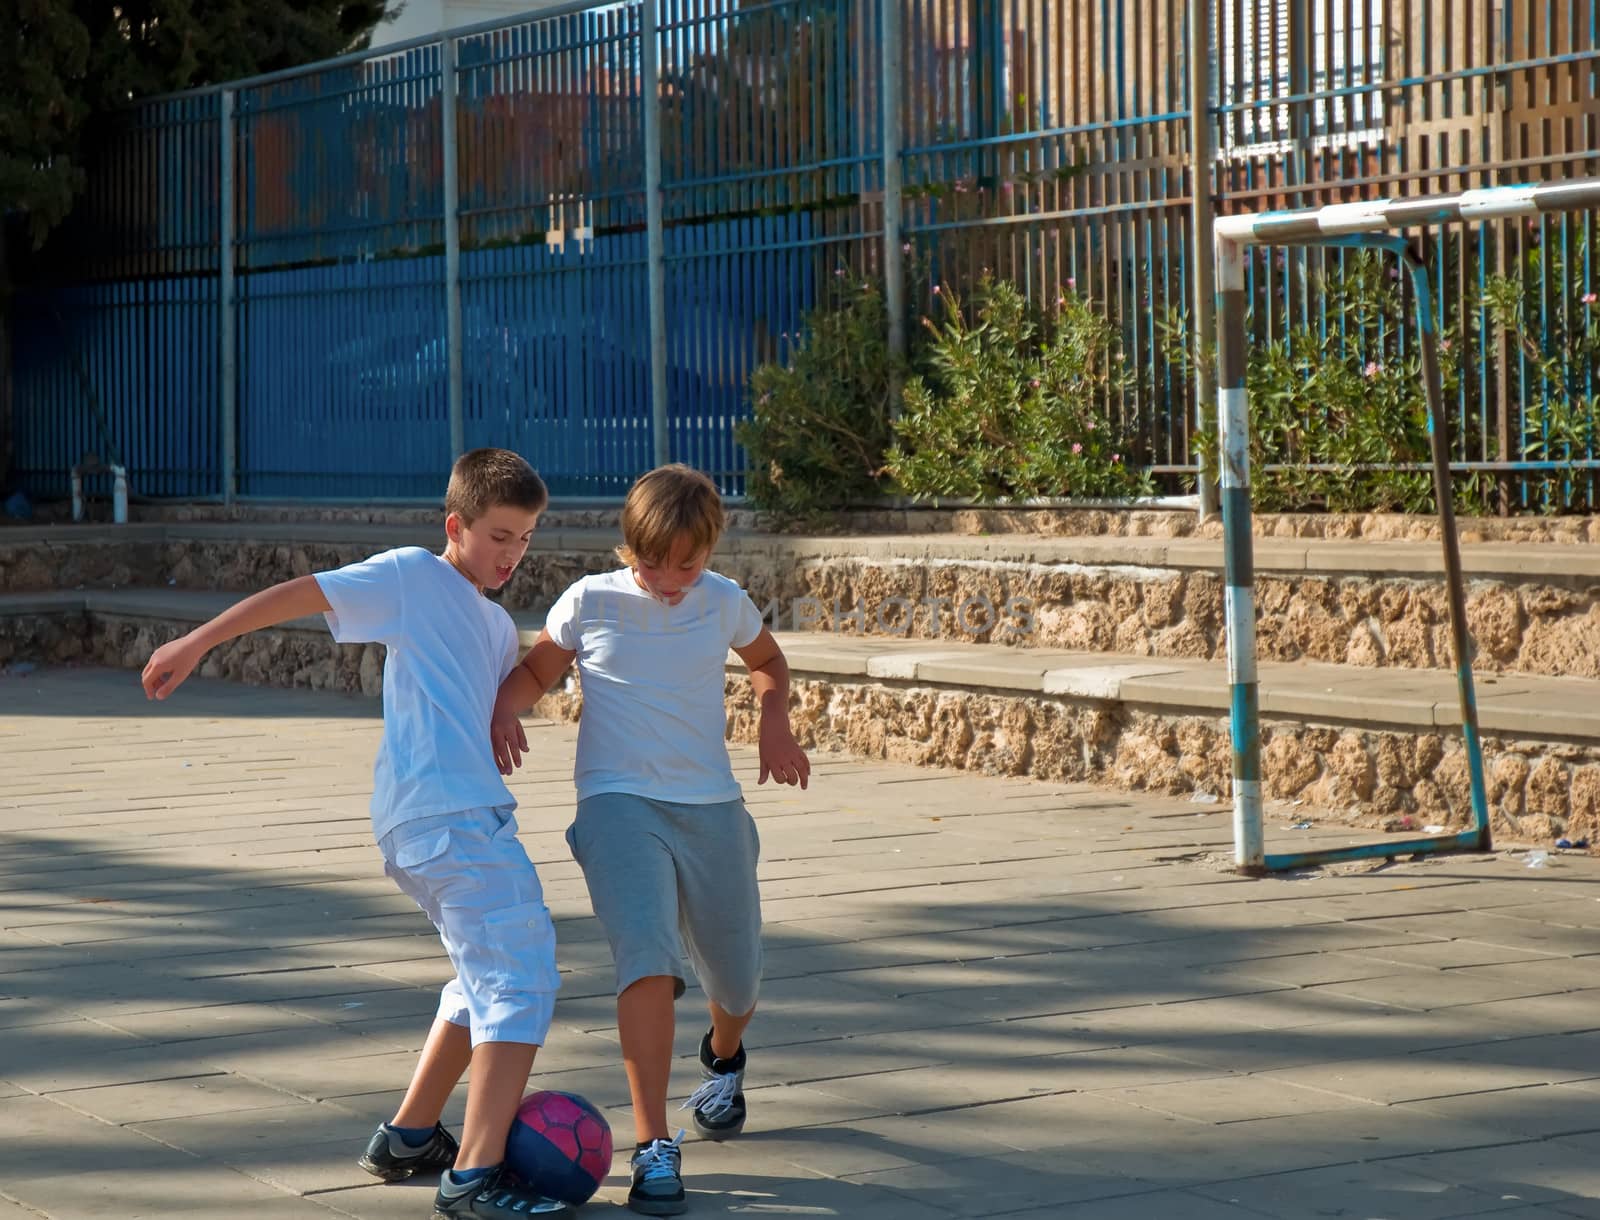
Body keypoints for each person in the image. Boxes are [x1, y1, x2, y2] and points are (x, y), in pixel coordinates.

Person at [141, 448, 569, 1220]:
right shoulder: (414, 576)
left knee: (482, 975)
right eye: (500, 535)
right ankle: (474, 1178)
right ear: (456, 526)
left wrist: (518, 694)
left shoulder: (495, 622)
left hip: (446, 822)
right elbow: (303, 593)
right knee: (522, 976)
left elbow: (506, 679)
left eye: (527, 539)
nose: (513, 553)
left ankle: (408, 1136)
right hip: (447, 819)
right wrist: (198, 641)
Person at [489, 463, 810, 1216]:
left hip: (712, 808)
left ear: (711, 551)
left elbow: (767, 661)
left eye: (686, 565)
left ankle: (724, 1056)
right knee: (648, 960)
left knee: (738, 980)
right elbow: (538, 668)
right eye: (650, 561)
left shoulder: (724, 602)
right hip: (616, 804)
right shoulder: (590, 601)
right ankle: (654, 1143)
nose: (668, 579)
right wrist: (506, 707)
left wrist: (774, 721)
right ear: (627, 546)